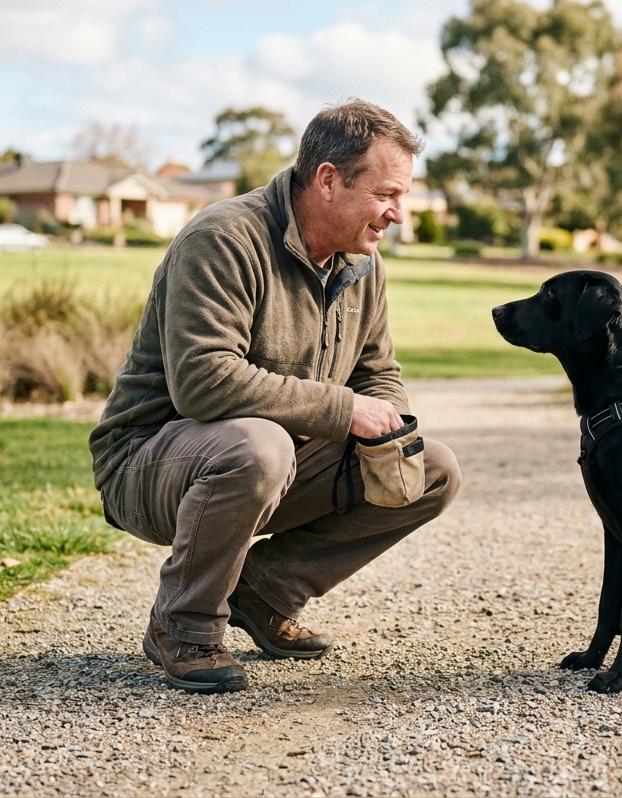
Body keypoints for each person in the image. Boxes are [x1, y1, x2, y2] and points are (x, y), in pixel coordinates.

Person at [89, 100, 461, 694]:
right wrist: (345, 411)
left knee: (433, 469)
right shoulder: (223, 239)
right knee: (259, 446)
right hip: (151, 463)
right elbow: (204, 381)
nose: (397, 213)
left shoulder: (363, 264)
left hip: (276, 458)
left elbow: (378, 373)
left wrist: (391, 425)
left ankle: (265, 593)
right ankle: (181, 623)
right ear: (329, 180)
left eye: (403, 195)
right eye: (387, 193)